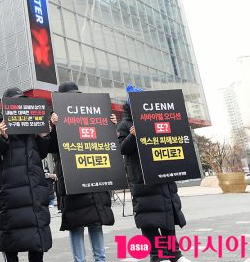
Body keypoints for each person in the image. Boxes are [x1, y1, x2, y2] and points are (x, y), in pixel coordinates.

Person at [49, 82, 116, 262]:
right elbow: (51, 147)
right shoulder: (55, 117)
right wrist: (53, 127)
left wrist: (110, 126)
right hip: (72, 180)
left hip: (93, 178)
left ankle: (100, 259)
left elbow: (106, 143)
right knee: (76, 225)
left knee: (96, 223)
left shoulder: (92, 112)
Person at [117, 102, 190, 262]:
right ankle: (157, 255)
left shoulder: (158, 120)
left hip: (163, 176)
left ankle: (174, 253)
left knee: (168, 214)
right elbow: (121, 148)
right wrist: (133, 135)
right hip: (142, 180)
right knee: (148, 218)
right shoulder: (125, 124)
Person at [0, 87, 52, 262]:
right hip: (11, 191)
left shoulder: (33, 122)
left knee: (37, 241)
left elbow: (43, 152)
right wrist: (3, 137)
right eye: (15, 100)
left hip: (34, 189)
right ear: (6, 104)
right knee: (11, 240)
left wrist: (44, 136)